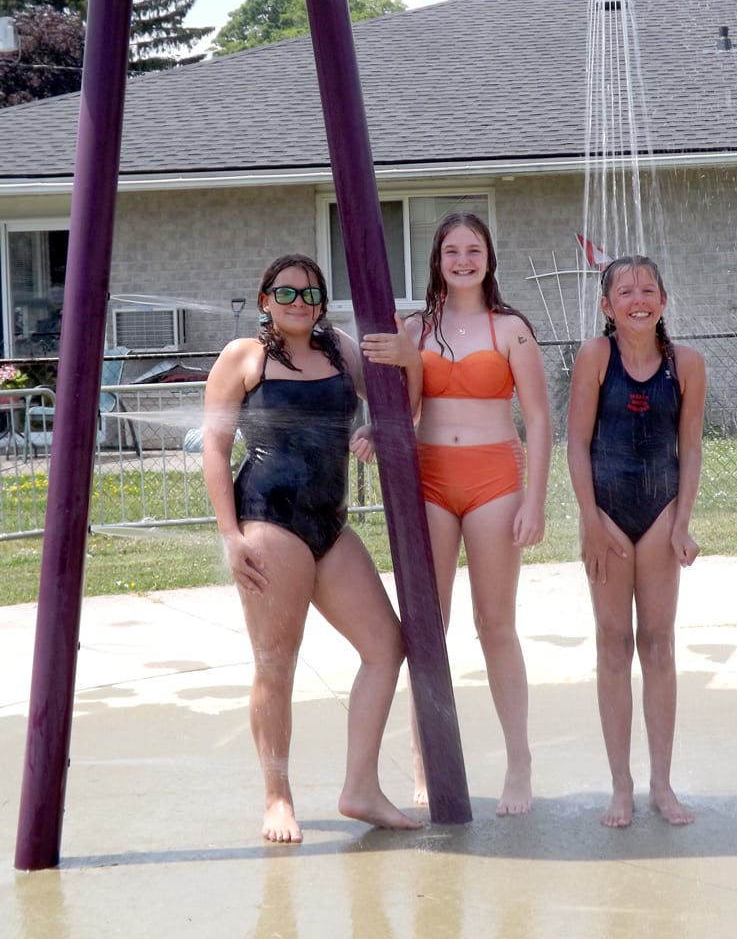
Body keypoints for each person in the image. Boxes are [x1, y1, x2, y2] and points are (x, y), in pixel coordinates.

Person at [202, 253, 423, 842]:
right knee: (276, 663)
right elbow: (215, 450)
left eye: (310, 293)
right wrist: (230, 536)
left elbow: (403, 401)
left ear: (323, 302)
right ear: (265, 299)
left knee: (387, 646)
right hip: (270, 521)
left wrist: (399, 385)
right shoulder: (242, 358)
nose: (299, 302)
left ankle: (361, 788)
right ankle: (277, 798)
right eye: (286, 292)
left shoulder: (341, 350)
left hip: (330, 522)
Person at [362, 212, 551, 815]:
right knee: (428, 629)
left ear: (489, 258)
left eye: (474, 249)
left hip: (496, 480)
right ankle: (427, 761)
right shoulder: (416, 328)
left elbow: (541, 422)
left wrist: (537, 500)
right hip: (430, 480)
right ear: (437, 260)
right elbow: (405, 403)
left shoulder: (511, 328)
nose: (463, 259)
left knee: (495, 625)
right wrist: (376, 427)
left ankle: (518, 763)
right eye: (452, 250)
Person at [566, 255, 706, 828]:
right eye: (625, 291)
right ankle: (620, 784)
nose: (638, 298)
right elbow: (576, 444)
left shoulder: (688, 365)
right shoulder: (596, 357)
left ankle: (661, 784)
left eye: (648, 289)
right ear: (607, 306)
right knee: (612, 644)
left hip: (660, 513)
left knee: (658, 643)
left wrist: (682, 522)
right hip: (608, 516)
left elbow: (691, 448)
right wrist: (589, 520)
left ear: (664, 302)